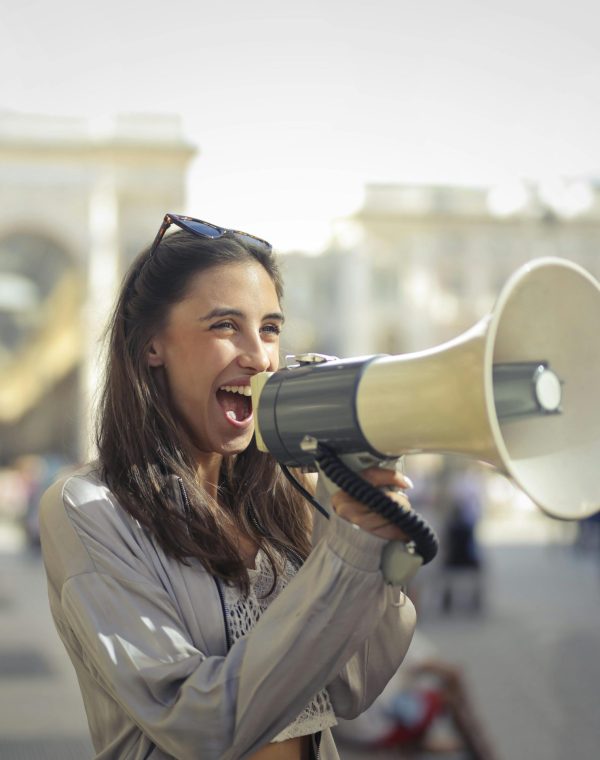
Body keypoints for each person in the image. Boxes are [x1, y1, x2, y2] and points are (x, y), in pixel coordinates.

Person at [39, 214, 419, 760]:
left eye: (269, 328)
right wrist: (343, 556)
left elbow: (350, 687)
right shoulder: (88, 508)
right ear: (152, 346)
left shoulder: (291, 493)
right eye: (224, 326)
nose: (259, 356)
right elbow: (198, 725)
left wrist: (371, 547)